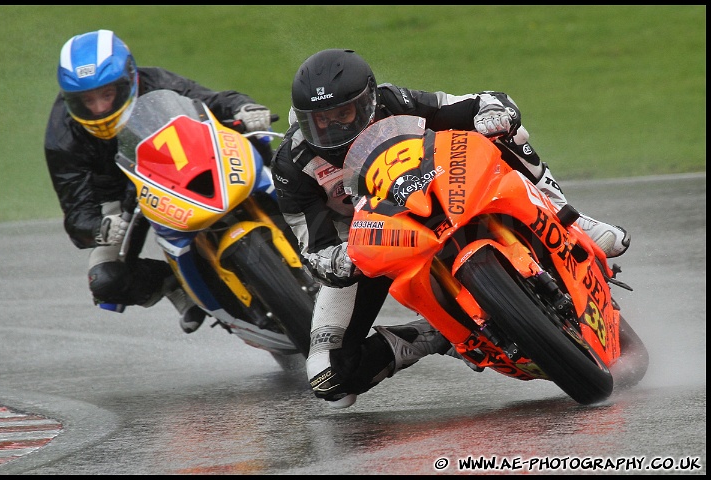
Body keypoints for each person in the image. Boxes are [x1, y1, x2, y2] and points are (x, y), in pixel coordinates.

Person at [270, 48, 631, 408]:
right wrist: (336, 262)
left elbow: (479, 102)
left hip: (441, 188)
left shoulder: (393, 101)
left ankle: (569, 215)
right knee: (330, 379)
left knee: (508, 132)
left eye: (343, 113)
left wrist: (493, 113)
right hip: (370, 242)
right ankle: (437, 334)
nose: (334, 127)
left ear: (367, 100)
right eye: (321, 121)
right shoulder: (292, 164)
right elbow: (313, 247)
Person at [44, 29, 274, 333]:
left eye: (107, 95)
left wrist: (243, 108)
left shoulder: (154, 81)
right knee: (105, 280)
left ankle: (312, 217)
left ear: (129, 79)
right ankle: (172, 284)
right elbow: (76, 210)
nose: (99, 109)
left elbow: (210, 100)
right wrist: (97, 228)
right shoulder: (61, 136)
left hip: (175, 167)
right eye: (87, 100)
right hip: (121, 201)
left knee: (257, 139)